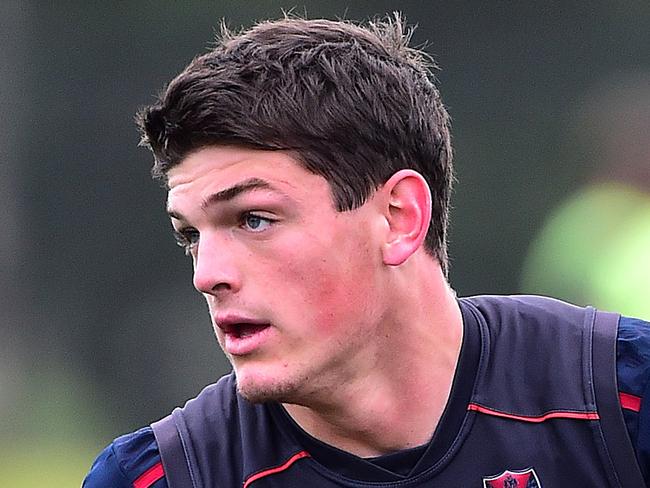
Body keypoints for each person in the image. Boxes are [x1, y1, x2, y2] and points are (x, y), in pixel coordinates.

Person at [83, 14, 650, 487]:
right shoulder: (163, 477)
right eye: (191, 235)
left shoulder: (624, 400)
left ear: (398, 218)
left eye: (254, 218)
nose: (207, 274)